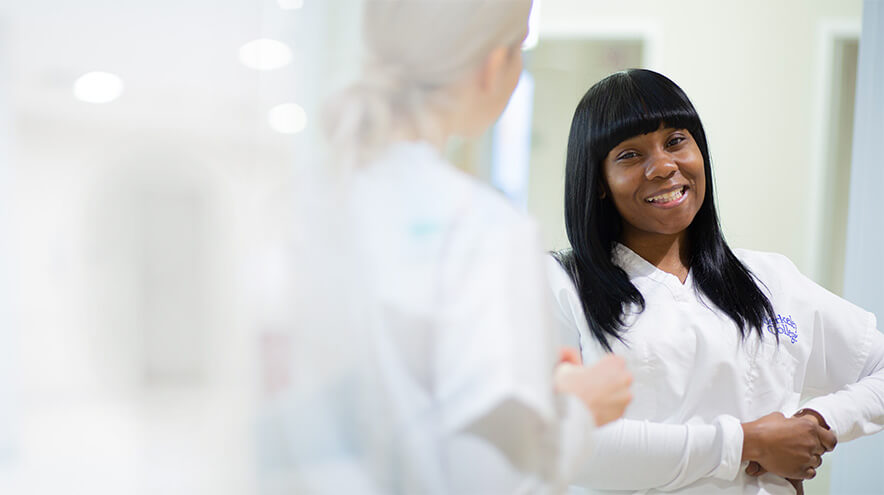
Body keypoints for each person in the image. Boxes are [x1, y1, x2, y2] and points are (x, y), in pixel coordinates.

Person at [265, 1, 633, 494]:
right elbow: (491, 482)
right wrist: (576, 411)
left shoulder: (292, 201)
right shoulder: (480, 228)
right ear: (491, 66)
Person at [548, 68, 884, 494]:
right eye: (630, 155)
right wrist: (748, 442)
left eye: (675, 141)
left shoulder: (768, 279)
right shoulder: (561, 286)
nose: (663, 166)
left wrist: (816, 422)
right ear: (598, 182)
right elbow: (561, 443)